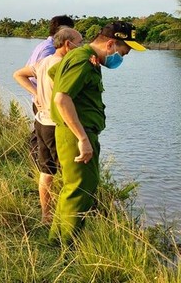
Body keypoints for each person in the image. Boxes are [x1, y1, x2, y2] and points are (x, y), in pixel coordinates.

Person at [48, 21, 145, 245]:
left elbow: (54, 72)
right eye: (124, 51)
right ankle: (67, 248)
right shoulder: (82, 59)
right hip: (76, 134)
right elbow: (62, 98)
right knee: (81, 190)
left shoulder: (84, 57)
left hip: (76, 131)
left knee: (74, 188)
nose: (124, 56)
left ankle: (56, 241)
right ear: (110, 43)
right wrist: (82, 138)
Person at [13, 27, 83, 224]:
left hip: (41, 122)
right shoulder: (63, 65)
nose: (82, 46)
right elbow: (64, 100)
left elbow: (18, 74)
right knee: (68, 173)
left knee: (46, 172)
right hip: (56, 124)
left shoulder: (44, 62)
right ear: (68, 44)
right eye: (80, 42)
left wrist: (36, 93)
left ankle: (46, 215)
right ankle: (66, 218)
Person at [26, 15, 76, 164]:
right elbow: (46, 76)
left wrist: (36, 93)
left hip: (41, 98)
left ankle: (38, 172)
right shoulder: (50, 50)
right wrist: (38, 94)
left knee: (40, 137)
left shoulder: (42, 45)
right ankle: (41, 172)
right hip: (47, 101)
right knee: (50, 146)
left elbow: (26, 72)